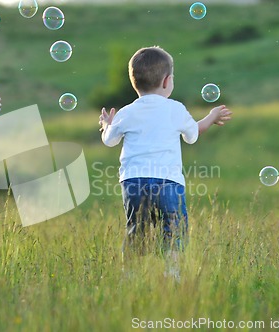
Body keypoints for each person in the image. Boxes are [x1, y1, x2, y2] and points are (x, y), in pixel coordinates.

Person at [99, 46, 232, 256]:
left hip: (133, 182)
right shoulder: (175, 109)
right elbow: (192, 135)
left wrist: (107, 125)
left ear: (135, 83)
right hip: (167, 181)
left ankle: (132, 275)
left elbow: (109, 141)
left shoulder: (127, 111)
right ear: (166, 81)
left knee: (137, 230)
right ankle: (172, 274)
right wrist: (212, 117)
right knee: (174, 230)